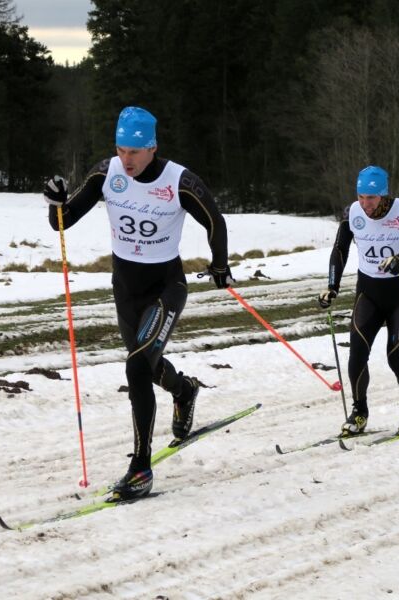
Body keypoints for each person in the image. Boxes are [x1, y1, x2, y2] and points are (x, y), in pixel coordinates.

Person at [44, 106, 233, 500]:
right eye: (120, 149)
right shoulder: (106, 172)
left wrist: (219, 265)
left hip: (166, 286)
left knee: (135, 366)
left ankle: (141, 468)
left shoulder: (178, 180)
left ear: (152, 148)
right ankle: (183, 391)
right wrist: (56, 201)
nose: (125, 159)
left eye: (134, 151)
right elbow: (62, 221)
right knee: (144, 364)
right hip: (125, 287)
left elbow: (215, 219)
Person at [318, 165, 399, 436]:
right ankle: (359, 412)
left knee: (396, 358)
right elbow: (340, 249)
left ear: (384, 195)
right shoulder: (353, 212)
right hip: (368, 292)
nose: (365, 204)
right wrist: (332, 286)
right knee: (357, 354)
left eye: (371, 198)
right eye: (361, 197)